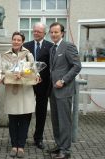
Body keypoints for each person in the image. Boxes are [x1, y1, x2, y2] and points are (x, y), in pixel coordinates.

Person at [2, 32, 39, 158]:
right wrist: (10, 75)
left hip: (25, 91)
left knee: (24, 120)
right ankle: (14, 146)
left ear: (22, 42)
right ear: (12, 40)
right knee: (13, 121)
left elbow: (34, 70)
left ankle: (21, 146)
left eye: (19, 40)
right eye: (14, 39)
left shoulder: (28, 55)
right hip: (12, 91)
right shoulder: (5, 55)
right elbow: (1, 71)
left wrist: (36, 76)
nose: (16, 41)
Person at [48, 22, 81, 159]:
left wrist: (63, 80)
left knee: (64, 121)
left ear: (62, 33)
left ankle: (65, 150)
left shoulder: (68, 46)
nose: (54, 34)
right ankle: (59, 145)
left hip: (64, 90)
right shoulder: (52, 48)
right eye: (52, 32)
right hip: (53, 91)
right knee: (55, 120)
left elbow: (77, 66)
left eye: (56, 32)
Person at [23, 22, 53, 149]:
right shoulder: (26, 46)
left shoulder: (50, 46)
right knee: (26, 111)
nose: (35, 33)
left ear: (44, 33)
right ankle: (23, 137)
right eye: (34, 31)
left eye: (39, 32)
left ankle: (38, 138)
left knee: (41, 112)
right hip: (28, 84)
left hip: (43, 84)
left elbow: (52, 65)